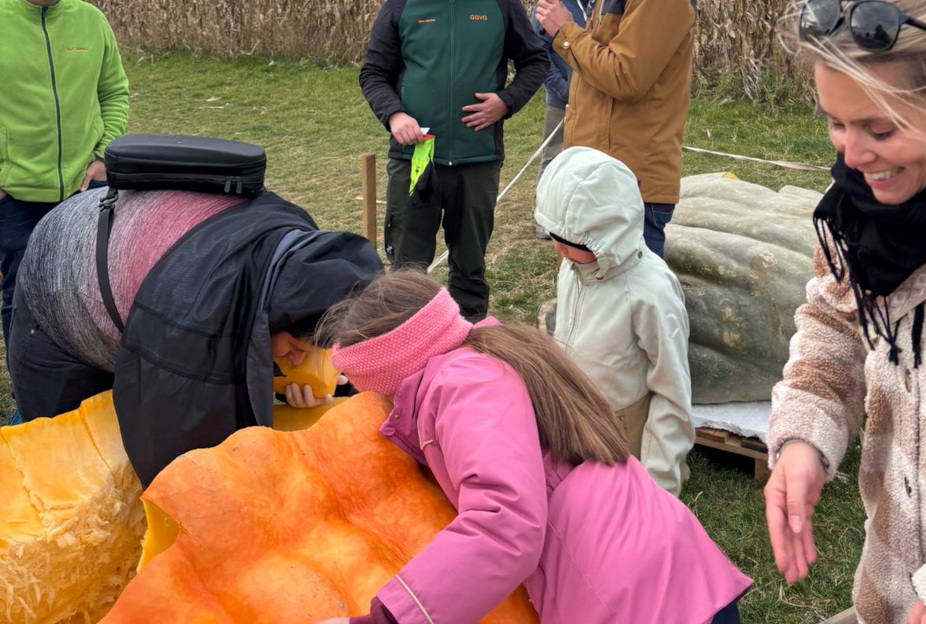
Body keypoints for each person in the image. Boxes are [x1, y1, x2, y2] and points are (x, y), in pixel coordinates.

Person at [312, 270, 751, 624]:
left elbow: (503, 524)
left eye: (379, 394)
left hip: (635, 602)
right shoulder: (490, 355)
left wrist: (383, 623)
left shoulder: (462, 386)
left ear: (393, 369)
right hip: (664, 575)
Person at [9, 186, 383, 486]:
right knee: (67, 470)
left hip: (140, 281)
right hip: (58, 288)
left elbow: (249, 340)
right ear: (268, 318)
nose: (299, 359)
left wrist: (297, 391)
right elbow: (180, 466)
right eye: (297, 350)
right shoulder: (192, 321)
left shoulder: (294, 262)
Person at [764, 1, 926, 624]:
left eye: (880, 129)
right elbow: (835, 323)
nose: (853, 155)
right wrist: (804, 436)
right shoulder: (854, 219)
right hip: (887, 592)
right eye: (836, 124)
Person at [359, 0, 548, 321]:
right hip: (414, 157)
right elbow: (373, 73)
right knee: (407, 270)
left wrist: (506, 101)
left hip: (478, 157)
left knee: (470, 265)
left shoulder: (501, 5)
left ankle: (469, 341)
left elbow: (535, 61)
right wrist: (395, 115)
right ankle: (410, 346)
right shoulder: (401, 6)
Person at [535, 146, 693, 497]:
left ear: (606, 234)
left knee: (616, 513)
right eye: (555, 239)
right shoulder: (576, 265)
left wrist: (659, 488)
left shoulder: (650, 291)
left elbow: (673, 391)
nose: (559, 251)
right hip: (579, 413)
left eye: (570, 242)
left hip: (624, 432)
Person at [0, 0, 129, 360]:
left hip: (86, 192)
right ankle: (29, 398)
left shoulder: (90, 20)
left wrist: (103, 155)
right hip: (16, 196)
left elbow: (114, 92)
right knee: (22, 297)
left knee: (93, 293)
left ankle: (87, 381)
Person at [535, 0, 695, 258]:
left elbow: (626, 77)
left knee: (627, 296)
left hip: (628, 188)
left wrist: (565, 31)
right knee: (589, 294)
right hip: (599, 179)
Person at [528, 0, 593, 240]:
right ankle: (543, 215)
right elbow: (539, 53)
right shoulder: (549, 6)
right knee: (554, 155)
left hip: (596, 98)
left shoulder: (602, 6)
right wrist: (563, 89)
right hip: (562, 98)